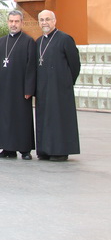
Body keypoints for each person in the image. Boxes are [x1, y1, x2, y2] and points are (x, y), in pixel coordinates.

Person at [34, 10, 81, 161]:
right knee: (45, 119)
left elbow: (75, 64)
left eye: (47, 19)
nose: (44, 22)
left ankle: (60, 151)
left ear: (54, 21)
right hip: (43, 88)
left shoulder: (65, 39)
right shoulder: (38, 41)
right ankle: (45, 150)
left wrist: (66, 82)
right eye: (41, 20)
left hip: (60, 89)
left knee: (58, 119)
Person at [0, 10, 36, 160]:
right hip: (3, 88)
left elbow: (31, 67)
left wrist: (29, 88)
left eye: (16, 21)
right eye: (11, 21)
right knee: (4, 118)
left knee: (21, 118)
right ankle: (7, 149)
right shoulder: (0, 41)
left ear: (22, 23)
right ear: (7, 23)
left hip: (20, 88)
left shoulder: (28, 41)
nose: (13, 24)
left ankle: (25, 149)